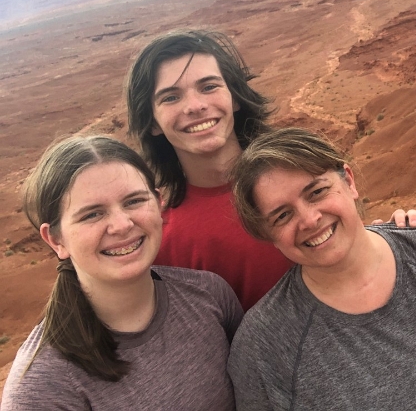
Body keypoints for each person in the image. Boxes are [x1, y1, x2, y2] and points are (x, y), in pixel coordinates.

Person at [226, 127, 416, 411]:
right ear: (268, 235)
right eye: (282, 215)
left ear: (349, 181)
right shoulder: (264, 345)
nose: (309, 220)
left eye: (317, 192)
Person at [126, 29, 416, 311]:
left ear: (234, 96)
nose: (195, 106)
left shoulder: (302, 172)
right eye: (171, 97)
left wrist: (401, 236)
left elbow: (353, 249)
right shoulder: (161, 239)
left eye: (208, 87)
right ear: (151, 122)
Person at [1, 135, 242, 410]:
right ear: (56, 240)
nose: (121, 225)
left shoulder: (210, 295)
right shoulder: (42, 388)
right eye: (92, 214)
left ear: (159, 203)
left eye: (134, 201)